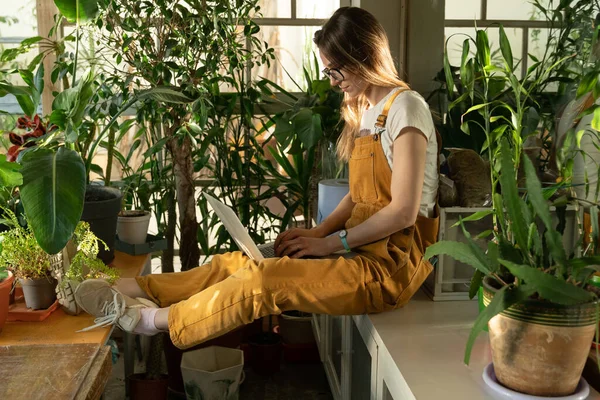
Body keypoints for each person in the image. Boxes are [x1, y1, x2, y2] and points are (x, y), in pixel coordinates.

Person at [74, 6, 440, 350]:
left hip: (389, 266)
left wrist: (331, 244)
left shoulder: (405, 107)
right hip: (357, 249)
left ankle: (151, 319)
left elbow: (403, 212)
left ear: (362, 56)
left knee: (266, 281)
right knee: (239, 262)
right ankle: (133, 288)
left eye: (334, 71)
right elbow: (360, 196)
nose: (332, 82)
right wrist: (318, 232)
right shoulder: (366, 111)